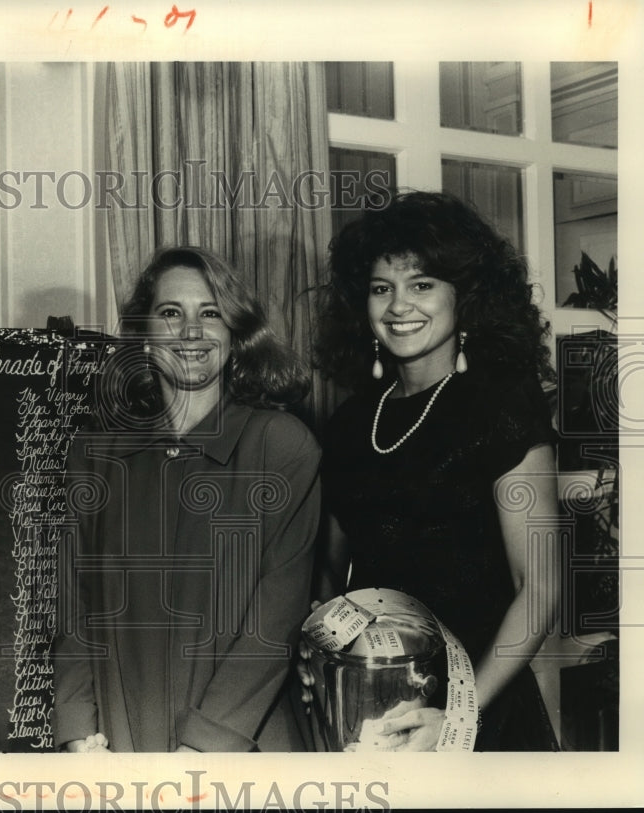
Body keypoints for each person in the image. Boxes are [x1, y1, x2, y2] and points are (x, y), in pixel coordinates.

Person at [310, 191, 561, 751]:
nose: (400, 306)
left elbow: (539, 587)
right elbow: (332, 578)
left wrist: (455, 714)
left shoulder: (504, 406)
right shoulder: (352, 422)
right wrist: (324, 662)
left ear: (464, 295)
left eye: (421, 285)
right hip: (372, 709)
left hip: (483, 707)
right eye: (382, 288)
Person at [53, 246, 321, 753]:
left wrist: (201, 750)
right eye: (170, 313)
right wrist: (76, 730)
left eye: (211, 313)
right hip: (116, 746)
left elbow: (275, 624)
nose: (191, 332)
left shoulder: (281, 445)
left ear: (235, 335)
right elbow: (76, 613)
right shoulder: (96, 456)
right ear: (143, 334)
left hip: (241, 747)